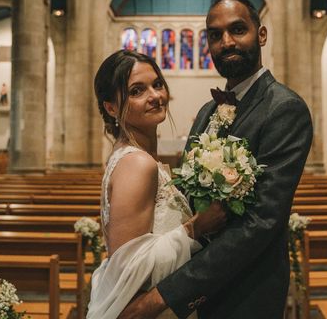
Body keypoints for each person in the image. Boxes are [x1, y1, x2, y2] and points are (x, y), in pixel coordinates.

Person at [120, 0, 313, 318]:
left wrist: (160, 297)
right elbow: (187, 197)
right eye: (215, 34)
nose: (226, 42)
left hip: (247, 291)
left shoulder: (284, 109)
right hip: (192, 281)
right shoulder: (206, 111)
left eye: (238, 29)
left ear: (261, 34)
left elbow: (260, 223)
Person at [87, 50, 226, 319]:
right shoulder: (138, 164)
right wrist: (195, 227)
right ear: (111, 107)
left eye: (157, 84)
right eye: (137, 91)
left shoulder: (137, 157)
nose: (155, 96)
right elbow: (128, 268)